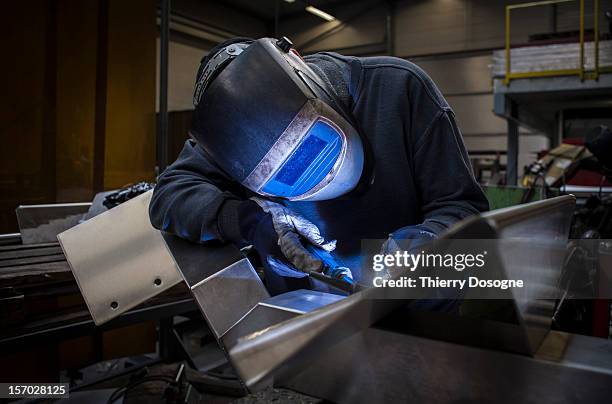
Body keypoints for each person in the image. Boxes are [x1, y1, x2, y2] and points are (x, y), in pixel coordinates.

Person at [149, 37, 489, 304]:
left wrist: (426, 247)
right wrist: (248, 221)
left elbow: (463, 209)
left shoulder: (398, 88)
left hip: (422, 316)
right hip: (312, 318)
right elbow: (169, 194)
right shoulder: (225, 141)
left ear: (296, 61)